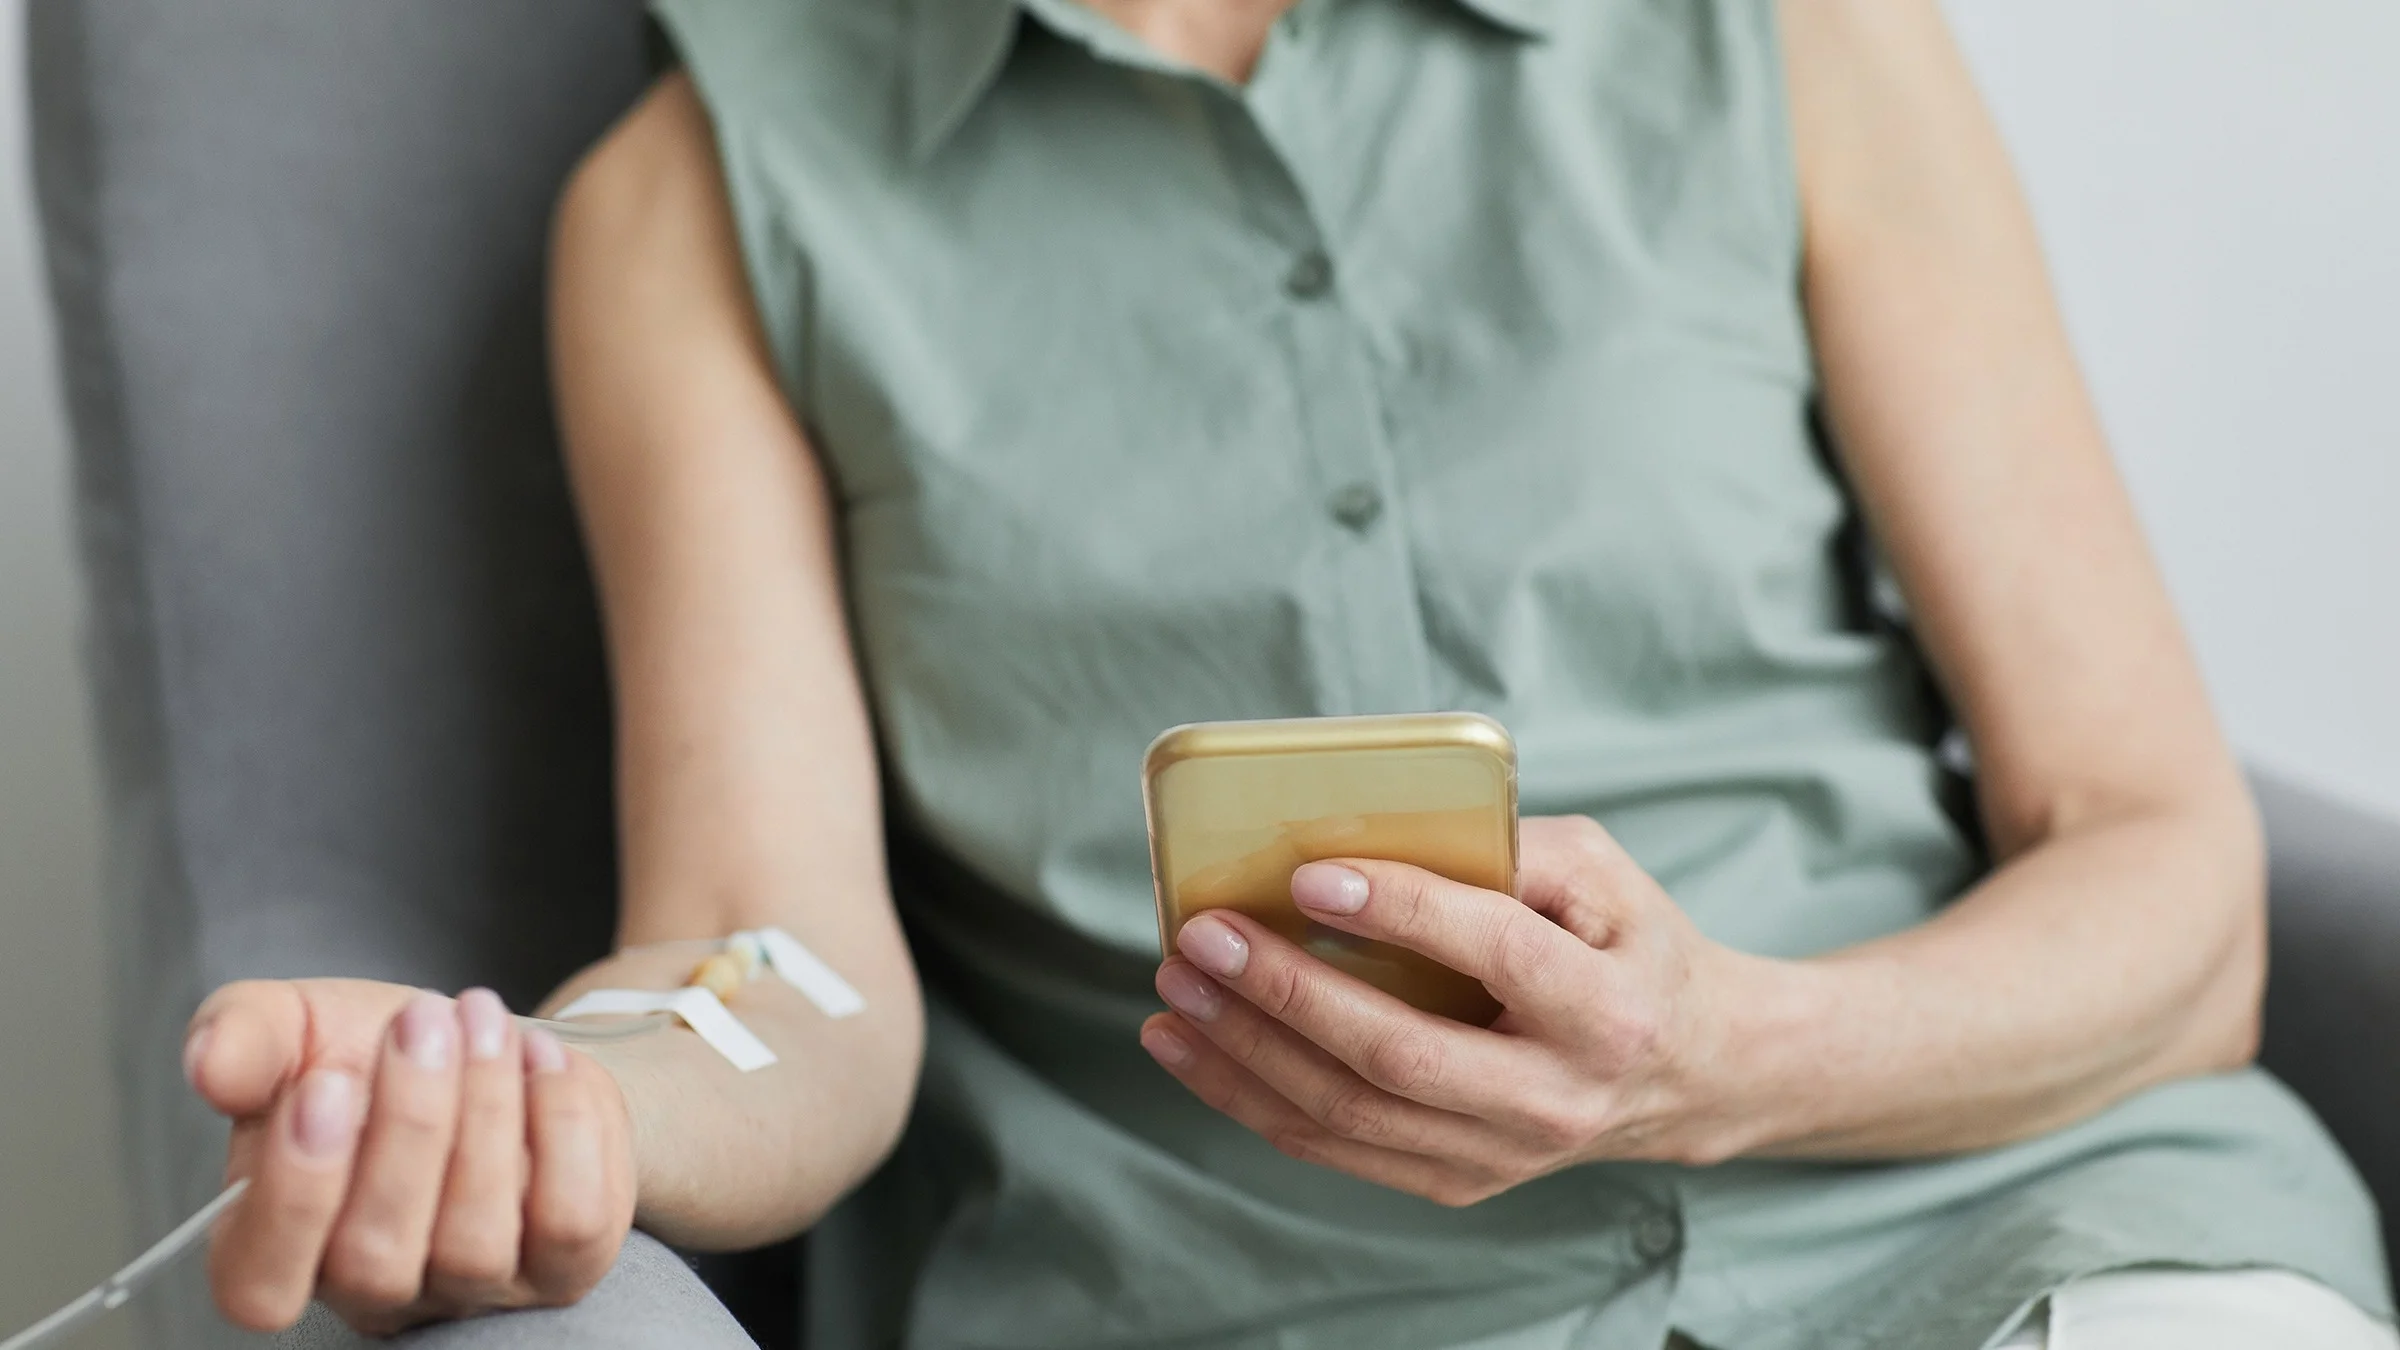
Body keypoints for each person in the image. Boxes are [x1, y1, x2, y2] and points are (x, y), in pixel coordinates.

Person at [176, 1, 2395, 1346]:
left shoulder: (1776, 32)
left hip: (2037, 1242)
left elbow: (2164, 879)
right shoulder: (700, 195)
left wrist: (1731, 1052)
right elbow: (775, 960)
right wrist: (559, 1101)